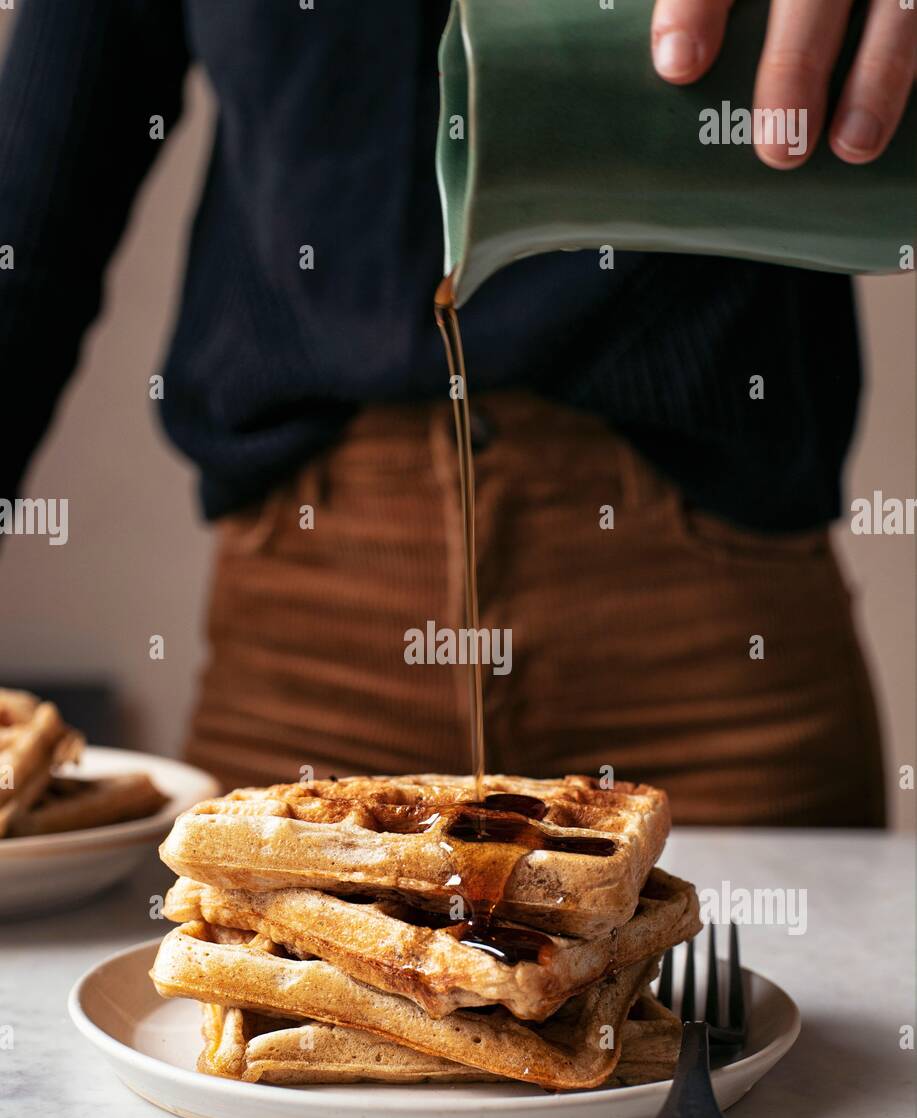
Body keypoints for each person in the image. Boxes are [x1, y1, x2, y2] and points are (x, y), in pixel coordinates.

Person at [1, 0, 912, 826]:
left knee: (772, 1003)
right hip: (305, 622)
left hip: (722, 635)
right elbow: (32, 216)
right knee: (238, 990)